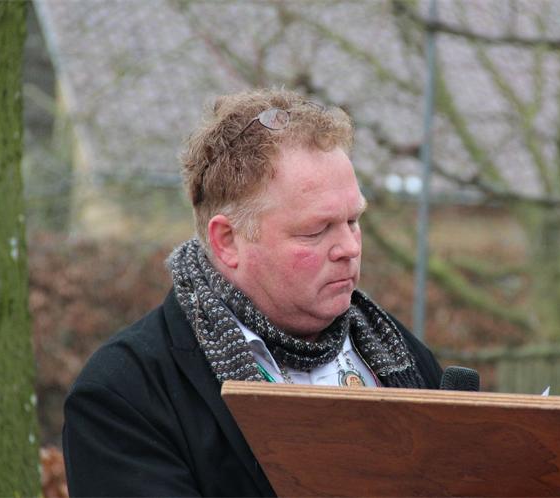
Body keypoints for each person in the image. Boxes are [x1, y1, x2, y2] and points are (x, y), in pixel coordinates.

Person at [62, 88, 443, 497]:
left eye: (353, 221)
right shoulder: (124, 396)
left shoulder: (404, 356)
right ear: (227, 241)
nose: (349, 248)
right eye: (316, 231)